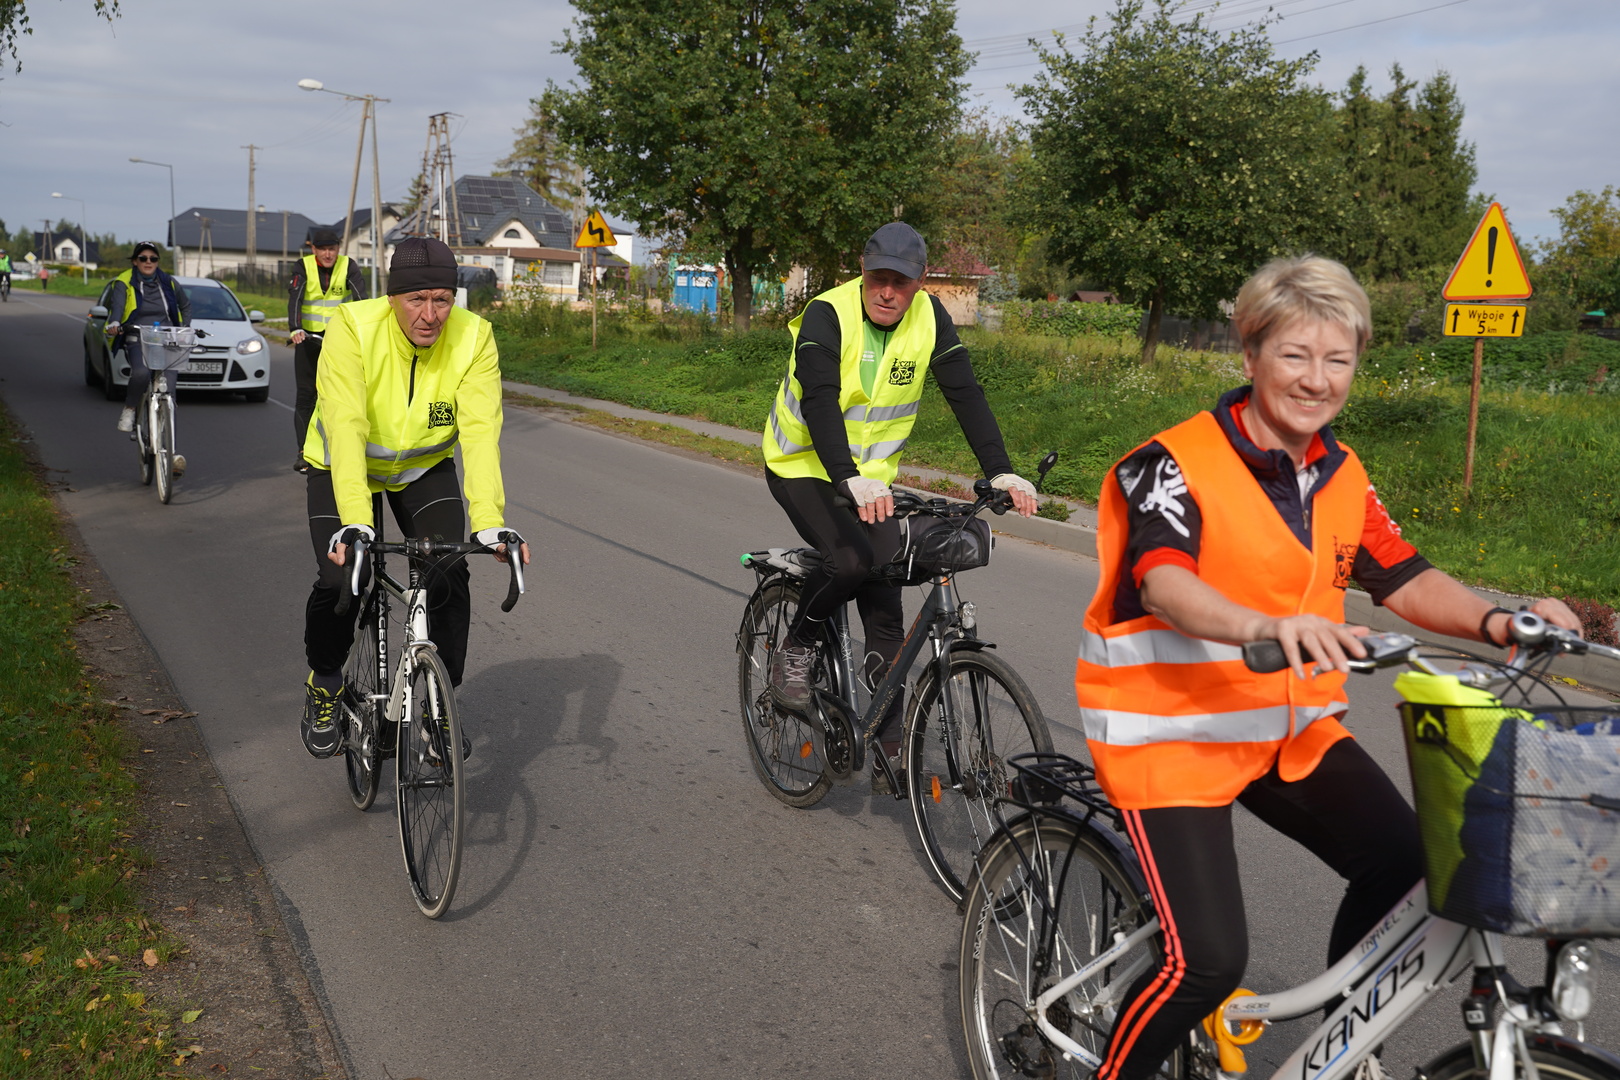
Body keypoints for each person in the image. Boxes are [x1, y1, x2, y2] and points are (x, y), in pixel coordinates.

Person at [1073, 255, 1581, 1080]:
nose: (1317, 379)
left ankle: (1339, 1050)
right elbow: (1163, 581)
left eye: (1337, 359)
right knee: (1207, 962)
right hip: (1170, 733)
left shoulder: (1339, 473)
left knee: (1410, 865)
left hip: (1288, 730)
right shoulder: (1170, 463)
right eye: (1295, 355)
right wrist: (1263, 626)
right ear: (1250, 355)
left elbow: (1403, 576)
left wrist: (1500, 621)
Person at [760, 221, 1038, 791]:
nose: (888, 292)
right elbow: (819, 400)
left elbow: (965, 393)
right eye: (878, 279)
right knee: (850, 563)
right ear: (862, 270)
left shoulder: (930, 318)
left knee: (885, 598)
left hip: (872, 482)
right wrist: (845, 478)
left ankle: (890, 750)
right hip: (802, 467)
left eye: (902, 282)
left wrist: (999, 470)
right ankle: (796, 650)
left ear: (921, 280)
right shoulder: (826, 314)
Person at [298, 236, 529, 759]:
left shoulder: (474, 337)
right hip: (341, 466)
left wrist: (489, 521)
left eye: (442, 300)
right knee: (341, 576)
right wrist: (356, 521)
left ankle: (437, 707)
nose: (430, 315)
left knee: (447, 571)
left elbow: (480, 433)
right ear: (391, 298)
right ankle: (326, 680)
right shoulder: (352, 327)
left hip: (421, 468)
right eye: (416, 299)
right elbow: (347, 424)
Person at [106, 243, 191, 478]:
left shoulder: (168, 282)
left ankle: (170, 453)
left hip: (166, 339)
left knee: (170, 395)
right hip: (137, 336)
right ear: (135, 261)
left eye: (153, 258)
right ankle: (130, 409)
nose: (148, 262)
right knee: (142, 373)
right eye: (143, 258)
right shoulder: (124, 281)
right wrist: (115, 323)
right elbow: (118, 307)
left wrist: (184, 329)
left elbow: (185, 305)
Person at [287, 227, 368, 473]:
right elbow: (296, 297)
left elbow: (360, 298)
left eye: (331, 249)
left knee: (342, 394)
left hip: (337, 340)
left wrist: (365, 329)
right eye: (322, 249)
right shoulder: (303, 266)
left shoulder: (348, 265)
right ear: (313, 249)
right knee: (306, 395)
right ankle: (303, 452)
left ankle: (344, 447)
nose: (328, 254)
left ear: (338, 248)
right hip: (307, 339)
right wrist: (295, 328)